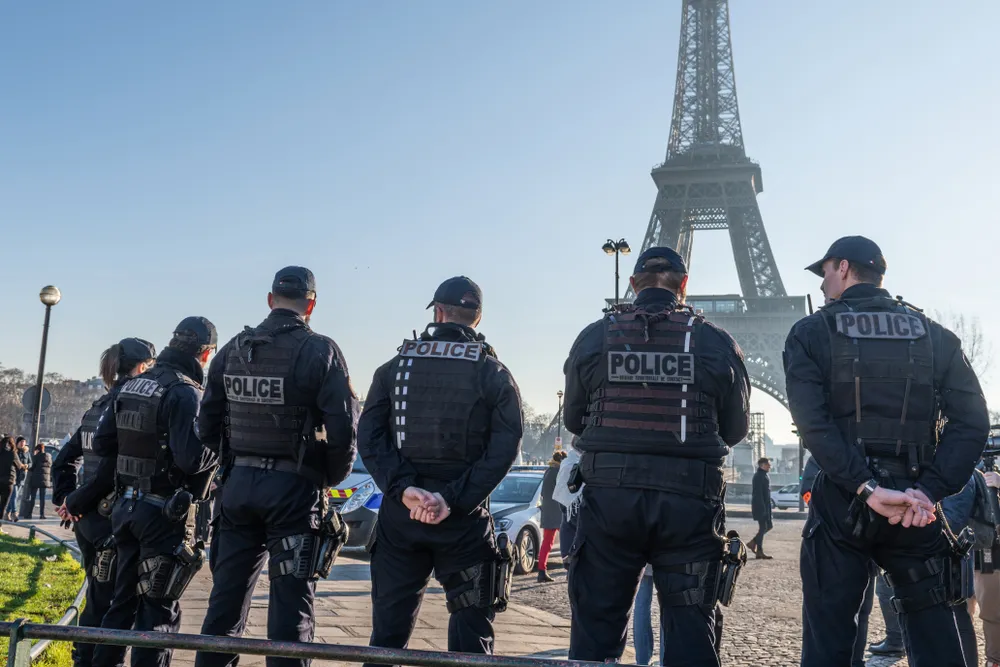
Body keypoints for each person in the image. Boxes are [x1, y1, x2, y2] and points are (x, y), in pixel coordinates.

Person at [786, 236, 990, 667]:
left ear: (842, 267)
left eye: (824, 272)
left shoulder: (810, 332)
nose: (822, 283)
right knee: (937, 637)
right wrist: (927, 491)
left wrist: (864, 486)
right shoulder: (934, 335)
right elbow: (972, 422)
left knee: (829, 638)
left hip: (843, 499)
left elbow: (814, 425)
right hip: (914, 502)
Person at [562, 246, 751, 664]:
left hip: (609, 499)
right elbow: (735, 429)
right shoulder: (715, 342)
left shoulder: (596, 336)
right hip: (689, 503)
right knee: (690, 632)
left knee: (595, 633)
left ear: (633, 284)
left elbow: (575, 418)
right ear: (684, 286)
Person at [195, 266, 359, 667]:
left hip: (238, 489)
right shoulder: (321, 351)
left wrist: (235, 458)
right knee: (290, 611)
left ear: (270, 300)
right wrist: (325, 478)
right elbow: (344, 430)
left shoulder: (233, 349)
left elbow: (205, 427)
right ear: (312, 305)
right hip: (293, 491)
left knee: (225, 605)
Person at [357, 276, 523, 663]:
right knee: (471, 640)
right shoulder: (493, 373)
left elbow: (370, 437)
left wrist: (403, 488)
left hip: (403, 517)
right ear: (477, 318)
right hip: (463, 521)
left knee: (386, 638)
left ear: (438, 312)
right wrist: (452, 499)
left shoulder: (393, 368)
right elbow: (505, 448)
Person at [91, 318, 221, 667]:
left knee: (120, 604)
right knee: (158, 611)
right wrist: (218, 441)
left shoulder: (132, 386)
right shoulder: (185, 392)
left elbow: (103, 443)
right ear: (205, 354)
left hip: (125, 508)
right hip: (164, 514)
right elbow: (191, 460)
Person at [51, 338, 156, 667]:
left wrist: (67, 500)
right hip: (114, 518)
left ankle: (83, 657)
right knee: (115, 605)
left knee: (96, 598)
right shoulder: (127, 409)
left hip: (88, 521)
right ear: (140, 368)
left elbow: (64, 461)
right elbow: (110, 472)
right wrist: (75, 500)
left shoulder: (94, 409)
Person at [537, 450, 566, 582]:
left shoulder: (548, 471)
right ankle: (570, 570)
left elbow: (543, 492)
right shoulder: (559, 472)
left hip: (548, 511)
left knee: (547, 543)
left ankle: (541, 570)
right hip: (559, 510)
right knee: (568, 541)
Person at [747, 457, 773, 559]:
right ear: (762, 465)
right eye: (768, 464)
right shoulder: (758, 476)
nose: (769, 466)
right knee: (763, 527)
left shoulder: (763, 475)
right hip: (761, 507)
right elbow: (758, 494)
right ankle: (759, 551)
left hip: (765, 506)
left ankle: (753, 542)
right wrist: (762, 509)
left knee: (768, 526)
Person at [22, 442, 52, 519]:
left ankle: (29, 514)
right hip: (45, 481)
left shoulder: (35, 457)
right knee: (42, 498)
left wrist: (27, 467)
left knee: (33, 497)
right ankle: (42, 514)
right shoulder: (49, 457)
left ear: (38, 450)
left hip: (35, 480)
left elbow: (31, 467)